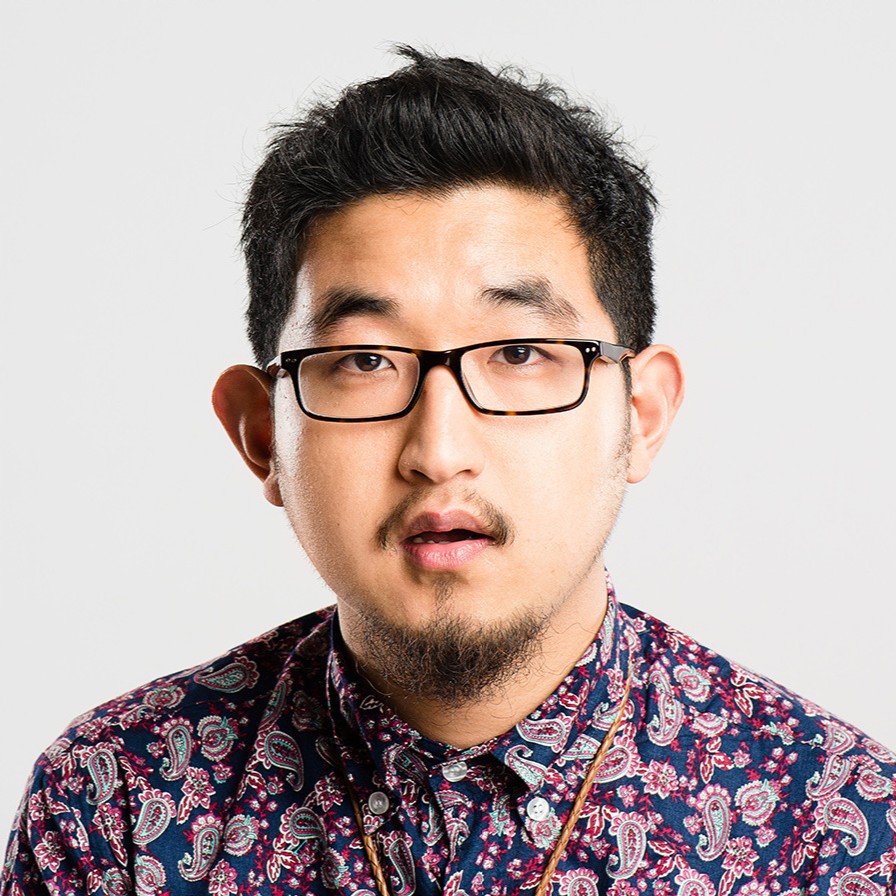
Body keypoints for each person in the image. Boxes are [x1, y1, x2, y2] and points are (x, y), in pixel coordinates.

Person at [3, 47, 894, 896]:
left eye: (519, 352)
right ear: (261, 434)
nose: (438, 451)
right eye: (364, 360)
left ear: (642, 414)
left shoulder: (834, 825)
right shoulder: (116, 806)